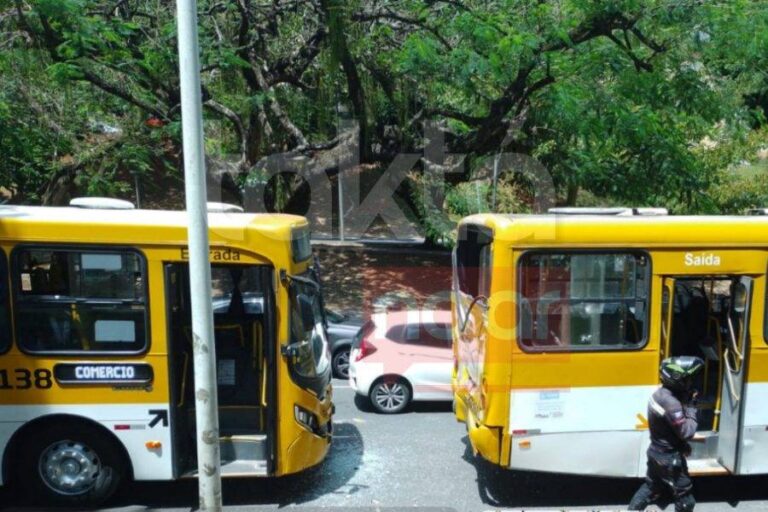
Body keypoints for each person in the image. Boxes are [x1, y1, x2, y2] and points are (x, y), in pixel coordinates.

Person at [628, 356, 705, 512]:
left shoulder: (660, 394)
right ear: (677, 380)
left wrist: (681, 446)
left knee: (651, 487)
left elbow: (667, 428)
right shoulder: (671, 403)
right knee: (685, 500)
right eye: (687, 380)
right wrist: (691, 407)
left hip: (656, 453)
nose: (690, 383)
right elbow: (686, 432)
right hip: (669, 459)